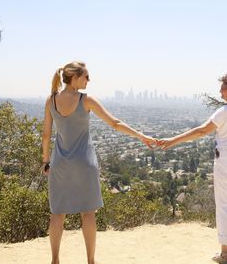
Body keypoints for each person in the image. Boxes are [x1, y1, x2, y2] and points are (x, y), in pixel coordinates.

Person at [41, 61, 155, 264]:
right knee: (88, 213)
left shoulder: (51, 101)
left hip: (60, 164)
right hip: (85, 164)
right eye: (86, 76)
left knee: (58, 213)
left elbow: (46, 136)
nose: (89, 80)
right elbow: (115, 123)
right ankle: (91, 261)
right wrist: (140, 135)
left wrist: (46, 162)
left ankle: (55, 260)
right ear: (75, 77)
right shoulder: (86, 100)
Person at [158, 75, 227, 264]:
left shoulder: (224, 111)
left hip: (226, 163)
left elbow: (201, 131)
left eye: (223, 88)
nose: (220, 92)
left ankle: (225, 254)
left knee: (225, 207)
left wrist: (173, 140)